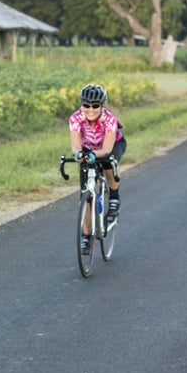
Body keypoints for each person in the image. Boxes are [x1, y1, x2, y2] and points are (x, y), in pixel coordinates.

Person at [69, 84, 127, 254]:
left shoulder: (110, 119)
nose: (90, 109)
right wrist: (79, 155)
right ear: (81, 105)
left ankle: (114, 198)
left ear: (102, 105)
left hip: (112, 145)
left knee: (108, 162)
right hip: (89, 149)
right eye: (86, 105)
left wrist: (95, 155)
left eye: (95, 106)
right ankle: (86, 236)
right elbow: (75, 146)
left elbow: (107, 149)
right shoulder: (75, 118)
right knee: (85, 196)